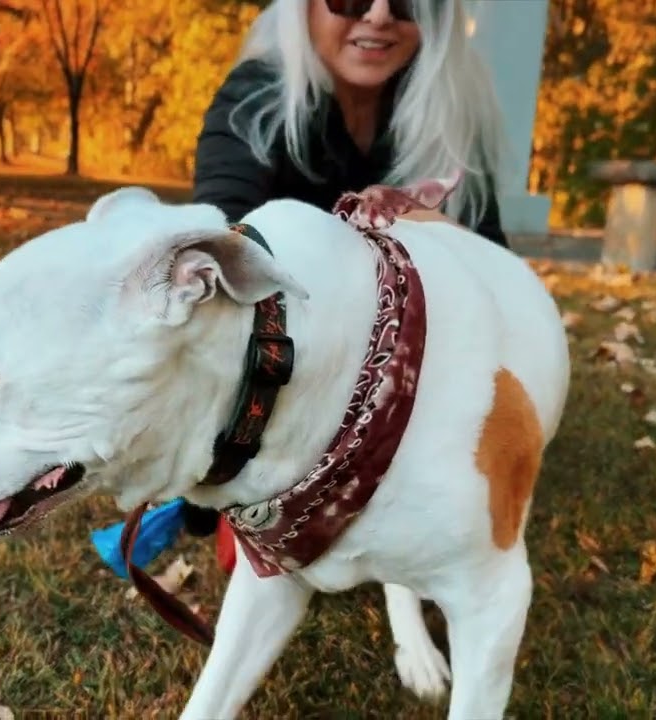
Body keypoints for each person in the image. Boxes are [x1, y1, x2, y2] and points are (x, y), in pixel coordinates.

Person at [182, 0, 511, 538]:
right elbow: (224, 254)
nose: (379, 15)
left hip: (409, 365)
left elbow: (495, 270)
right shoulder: (256, 97)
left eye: (407, 2)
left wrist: (445, 237)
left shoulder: (448, 109)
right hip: (281, 358)